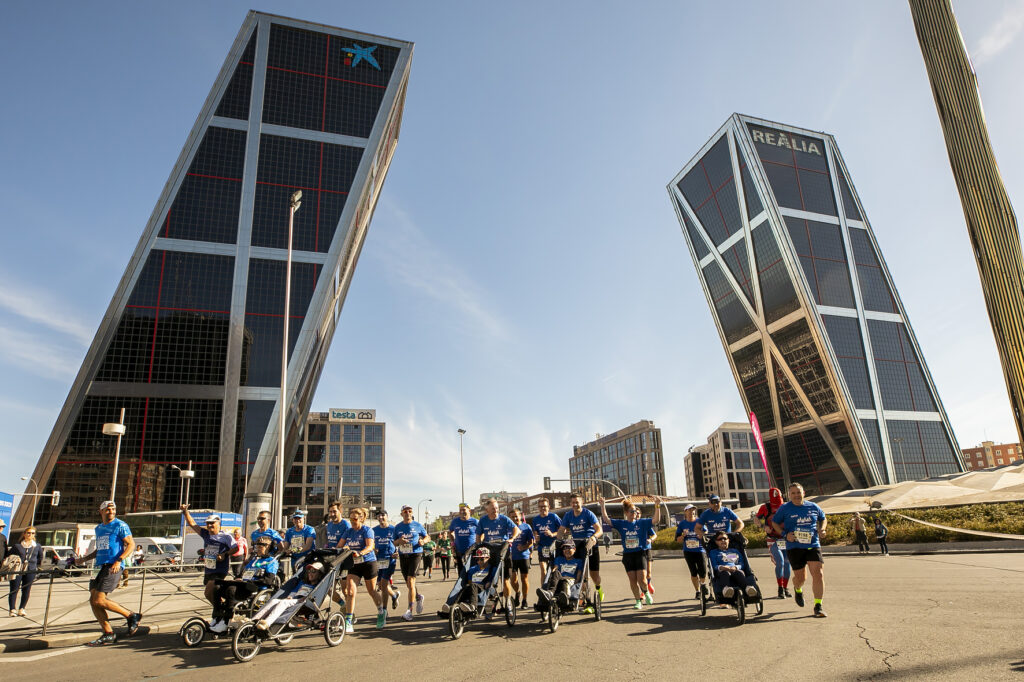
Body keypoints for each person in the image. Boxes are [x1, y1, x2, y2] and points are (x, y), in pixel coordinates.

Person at [75, 501, 142, 646]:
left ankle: (131, 616)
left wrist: (119, 561)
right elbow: (100, 549)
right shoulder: (99, 528)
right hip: (101, 566)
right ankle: (108, 633)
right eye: (107, 509)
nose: (111, 510)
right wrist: (83, 559)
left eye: (113, 508)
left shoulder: (120, 525)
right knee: (93, 600)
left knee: (99, 600)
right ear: (101, 511)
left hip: (114, 566)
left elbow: (131, 544)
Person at [772, 482, 828, 618]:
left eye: (798, 492)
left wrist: (822, 529)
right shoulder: (785, 508)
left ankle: (818, 606)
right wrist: (785, 534)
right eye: (793, 493)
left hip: (813, 544)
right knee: (801, 578)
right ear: (789, 495)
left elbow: (823, 518)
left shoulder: (813, 506)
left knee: (818, 574)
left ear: (803, 493)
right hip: (794, 547)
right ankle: (798, 589)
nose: (796, 495)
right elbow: (775, 523)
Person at [181, 506, 237, 632]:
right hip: (209, 568)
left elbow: (236, 548)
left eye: (212, 523)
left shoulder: (226, 536)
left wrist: (225, 554)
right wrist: (185, 512)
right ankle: (222, 611)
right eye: (208, 523)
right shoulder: (205, 534)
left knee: (208, 591)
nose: (209, 526)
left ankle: (218, 615)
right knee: (211, 594)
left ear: (218, 524)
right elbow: (192, 524)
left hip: (220, 569)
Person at [599, 496, 660, 609]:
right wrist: (603, 506)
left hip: (640, 553)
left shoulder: (642, 523)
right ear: (626, 513)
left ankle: (646, 592)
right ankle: (638, 601)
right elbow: (606, 519)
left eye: (636, 511)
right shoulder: (621, 524)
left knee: (642, 579)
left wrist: (657, 506)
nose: (635, 513)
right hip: (628, 555)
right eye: (632, 511)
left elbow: (656, 520)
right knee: (633, 580)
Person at [209, 536, 279, 633]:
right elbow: (243, 574)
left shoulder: (271, 561)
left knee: (231, 590)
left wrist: (251, 582)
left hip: (256, 589)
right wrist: (239, 578)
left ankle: (226, 622)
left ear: (269, 547)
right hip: (243, 586)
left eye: (262, 545)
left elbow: (268, 580)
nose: (258, 547)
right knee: (217, 587)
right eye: (257, 545)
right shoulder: (254, 560)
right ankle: (217, 618)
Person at [341, 507, 383, 631]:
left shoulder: (367, 530)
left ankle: (381, 612)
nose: (352, 521)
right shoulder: (348, 531)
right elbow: (340, 545)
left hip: (368, 562)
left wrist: (360, 553)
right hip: (354, 564)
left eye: (355, 519)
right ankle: (349, 620)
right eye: (350, 518)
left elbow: (370, 546)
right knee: (350, 592)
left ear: (361, 519)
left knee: (371, 591)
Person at [559, 492, 603, 610]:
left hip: (590, 545)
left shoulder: (588, 514)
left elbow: (599, 530)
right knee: (581, 574)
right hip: (577, 546)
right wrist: (558, 540)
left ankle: (599, 588)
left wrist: (593, 537)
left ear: (581, 503)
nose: (575, 504)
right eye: (573, 502)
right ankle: (586, 600)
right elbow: (561, 530)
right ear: (570, 503)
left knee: (594, 576)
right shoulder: (568, 515)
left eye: (577, 502)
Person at [252, 560, 326, 632]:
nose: (310, 573)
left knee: (283, 603)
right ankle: (254, 620)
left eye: (313, 571)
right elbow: (294, 591)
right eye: (309, 571)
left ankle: (267, 622)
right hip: (294, 600)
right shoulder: (303, 583)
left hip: (305, 603)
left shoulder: (319, 586)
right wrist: (290, 596)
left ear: (319, 574)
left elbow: (315, 597)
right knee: (274, 601)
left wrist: (305, 598)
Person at [477, 498, 521, 610]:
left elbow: (517, 530)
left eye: (496, 508)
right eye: (492, 509)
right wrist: (479, 546)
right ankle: (490, 607)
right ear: (487, 510)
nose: (495, 511)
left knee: (505, 579)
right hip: (489, 554)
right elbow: (478, 537)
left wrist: (512, 538)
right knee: (489, 580)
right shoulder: (483, 521)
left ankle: (508, 604)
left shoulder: (504, 519)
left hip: (504, 552)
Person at [756, 487, 792, 598]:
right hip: (773, 539)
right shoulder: (765, 507)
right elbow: (756, 519)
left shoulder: (787, 506)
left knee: (787, 563)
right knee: (780, 562)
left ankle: (785, 587)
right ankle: (780, 588)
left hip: (786, 538)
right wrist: (763, 526)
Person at [394, 505, 428, 621]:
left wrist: (423, 541)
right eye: (405, 511)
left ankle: (409, 611)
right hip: (403, 555)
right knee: (409, 585)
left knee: (411, 580)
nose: (407, 513)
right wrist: (399, 541)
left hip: (416, 554)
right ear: (401, 514)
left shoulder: (418, 525)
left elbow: (427, 537)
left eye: (409, 511)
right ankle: (418, 597)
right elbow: (393, 542)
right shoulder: (398, 527)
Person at [535, 539, 586, 612]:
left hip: (570, 580)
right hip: (557, 579)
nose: (566, 550)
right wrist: (552, 573)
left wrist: (577, 583)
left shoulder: (578, 561)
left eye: (568, 547)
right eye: (564, 548)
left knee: (564, 581)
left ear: (574, 549)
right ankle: (550, 593)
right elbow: (555, 568)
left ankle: (564, 597)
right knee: (556, 573)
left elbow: (579, 573)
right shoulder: (559, 559)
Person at [707, 531, 758, 599]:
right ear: (716, 542)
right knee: (725, 573)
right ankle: (726, 589)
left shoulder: (735, 551)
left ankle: (748, 589)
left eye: (725, 539)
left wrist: (736, 567)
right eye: (720, 539)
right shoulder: (713, 552)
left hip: (735, 569)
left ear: (728, 540)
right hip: (722, 571)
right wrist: (721, 567)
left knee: (738, 573)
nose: (723, 540)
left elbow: (742, 563)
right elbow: (714, 565)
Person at [7, 527, 42, 617]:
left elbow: (40, 558)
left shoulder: (37, 546)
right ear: (24, 534)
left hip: (30, 570)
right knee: (14, 589)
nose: (30, 535)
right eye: (28, 533)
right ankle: (12, 609)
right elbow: (9, 556)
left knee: (26, 590)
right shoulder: (17, 546)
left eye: (33, 533)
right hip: (17, 570)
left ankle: (22, 608)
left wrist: (34, 565)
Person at [674, 504, 707, 599]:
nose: (691, 512)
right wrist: (683, 536)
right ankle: (697, 591)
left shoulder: (699, 522)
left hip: (700, 550)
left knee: (703, 572)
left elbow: (706, 532)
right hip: (688, 551)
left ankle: (703, 586)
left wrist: (701, 535)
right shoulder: (682, 524)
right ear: (685, 512)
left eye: (693, 510)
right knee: (693, 572)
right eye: (689, 510)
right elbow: (677, 539)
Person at [374, 511, 400, 610]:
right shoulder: (374, 530)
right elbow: (371, 543)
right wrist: (373, 549)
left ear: (387, 516)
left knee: (384, 584)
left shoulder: (393, 529)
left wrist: (397, 552)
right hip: (378, 560)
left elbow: (400, 542)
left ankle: (384, 611)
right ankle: (394, 596)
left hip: (390, 560)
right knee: (380, 585)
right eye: (378, 515)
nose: (380, 517)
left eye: (382, 515)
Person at [508, 508, 534, 610]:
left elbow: (531, 542)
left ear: (520, 516)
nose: (515, 518)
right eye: (512, 516)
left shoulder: (526, 527)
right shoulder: (508, 527)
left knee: (524, 579)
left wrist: (523, 547)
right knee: (513, 580)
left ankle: (524, 600)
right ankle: (517, 593)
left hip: (524, 556)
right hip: (511, 557)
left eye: (516, 516)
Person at [530, 498, 561, 578]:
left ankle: (553, 588)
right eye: (540, 506)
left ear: (548, 507)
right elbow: (535, 533)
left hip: (554, 547)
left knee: (554, 570)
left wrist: (552, 534)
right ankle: (543, 588)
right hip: (542, 547)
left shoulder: (554, 517)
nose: (542, 508)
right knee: (543, 569)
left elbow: (563, 530)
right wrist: (536, 537)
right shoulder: (535, 519)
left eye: (544, 506)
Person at [448, 503, 479, 580]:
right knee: (461, 574)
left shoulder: (475, 521)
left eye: (464, 510)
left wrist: (479, 542)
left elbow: (482, 533)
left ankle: (472, 589)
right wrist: (452, 542)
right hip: (459, 551)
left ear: (469, 511)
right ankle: (463, 589)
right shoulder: (455, 521)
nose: (462, 512)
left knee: (472, 572)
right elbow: (450, 532)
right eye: (460, 510)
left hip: (472, 551)